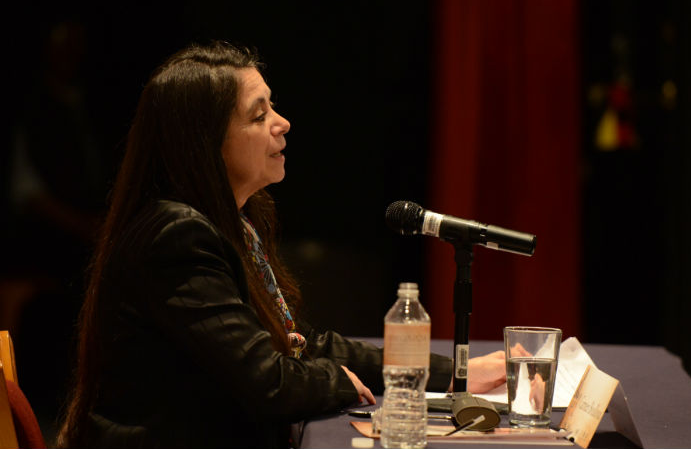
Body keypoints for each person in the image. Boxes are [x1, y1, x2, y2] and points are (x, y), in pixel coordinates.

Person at [56, 40, 506, 449]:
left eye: (272, 106)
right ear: (205, 143)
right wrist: (337, 381)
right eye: (259, 116)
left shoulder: (232, 222)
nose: (282, 122)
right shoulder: (177, 237)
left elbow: (298, 344)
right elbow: (267, 382)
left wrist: (453, 374)